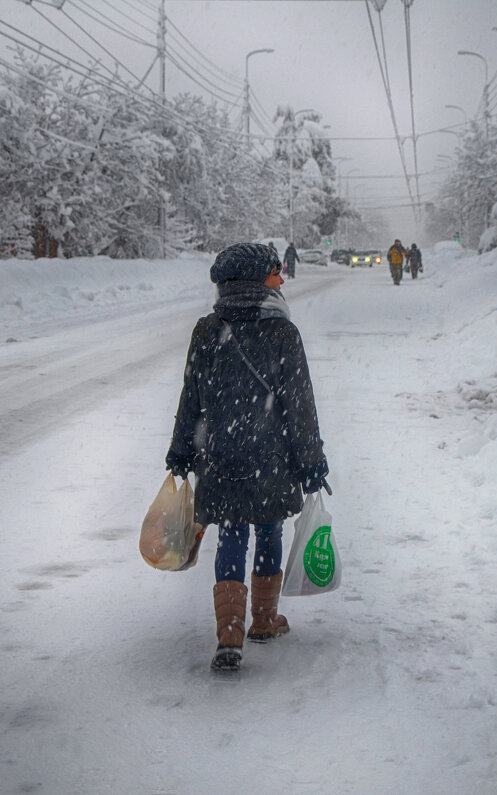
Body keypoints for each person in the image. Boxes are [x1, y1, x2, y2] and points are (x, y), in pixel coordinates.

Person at [165, 242, 330, 672]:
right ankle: (264, 620)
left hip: (220, 457)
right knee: (269, 531)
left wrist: (181, 451)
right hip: (270, 457)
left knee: (232, 533)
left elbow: (192, 399)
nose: (283, 278)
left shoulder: (207, 329)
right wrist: (311, 462)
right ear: (259, 280)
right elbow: (300, 406)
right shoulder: (281, 332)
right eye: (277, 270)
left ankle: (229, 633)